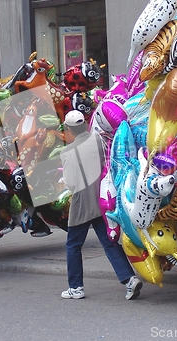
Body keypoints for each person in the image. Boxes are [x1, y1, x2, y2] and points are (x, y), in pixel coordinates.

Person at [59, 110, 143, 300]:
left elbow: (71, 183)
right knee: (109, 242)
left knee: (73, 245)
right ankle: (129, 280)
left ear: (69, 129)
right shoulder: (98, 140)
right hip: (103, 199)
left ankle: (76, 287)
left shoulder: (67, 152)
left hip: (81, 203)